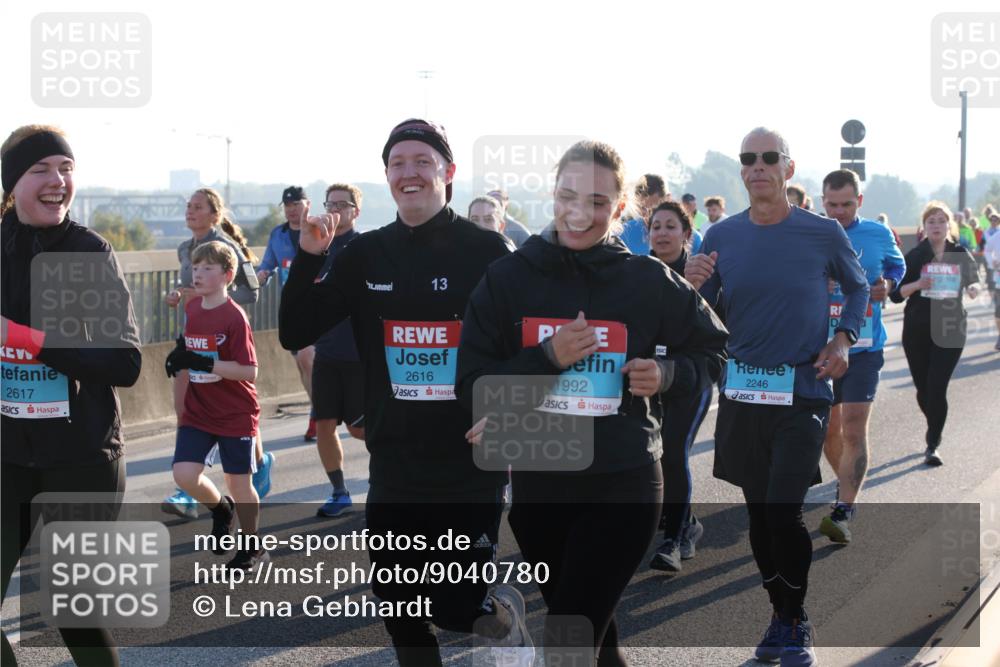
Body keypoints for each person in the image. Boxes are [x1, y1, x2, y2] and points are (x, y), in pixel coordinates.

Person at [457, 140, 728, 666]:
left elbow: (713, 349)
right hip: (539, 488)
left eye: (599, 202)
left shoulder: (647, 280)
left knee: (568, 638)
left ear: (621, 208)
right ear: (552, 195)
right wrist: (546, 358)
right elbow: (470, 381)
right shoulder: (509, 279)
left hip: (622, 483)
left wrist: (668, 373)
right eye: (568, 195)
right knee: (593, 643)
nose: (581, 211)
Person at [279, 119, 531, 666]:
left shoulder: (488, 250)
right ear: (388, 177)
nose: (409, 173)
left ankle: (501, 618)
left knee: (457, 604)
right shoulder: (365, 255)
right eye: (398, 164)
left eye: (422, 162)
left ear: (448, 172)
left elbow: (522, 346)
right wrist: (308, 257)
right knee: (401, 610)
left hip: (469, 462)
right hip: (395, 462)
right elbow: (295, 332)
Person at [685, 127, 869, 667]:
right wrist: (691, 284)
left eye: (769, 158)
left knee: (784, 511)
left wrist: (843, 338)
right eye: (748, 159)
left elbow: (857, 288)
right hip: (743, 392)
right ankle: (778, 613)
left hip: (803, 389)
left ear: (788, 169)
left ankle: (795, 621)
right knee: (760, 518)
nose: (758, 166)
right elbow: (704, 315)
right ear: (741, 171)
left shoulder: (822, 232)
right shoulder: (719, 236)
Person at [2, 124, 141, 667]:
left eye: (66, 169)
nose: (58, 181)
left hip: (82, 457)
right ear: (13, 183)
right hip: (9, 454)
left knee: (73, 613)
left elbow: (124, 361)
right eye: (41, 170)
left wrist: (26, 339)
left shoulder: (88, 252)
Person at [161, 188, 273, 520]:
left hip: (228, 340)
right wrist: (178, 297)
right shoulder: (185, 248)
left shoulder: (231, 248)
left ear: (215, 213)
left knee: (233, 407)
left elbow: (251, 292)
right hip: (193, 339)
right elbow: (189, 291)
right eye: (187, 206)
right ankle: (190, 486)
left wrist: (205, 292)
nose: (189, 211)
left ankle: (258, 462)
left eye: (198, 207)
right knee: (185, 409)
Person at [817, 169, 906, 545]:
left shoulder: (877, 234)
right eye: (832, 205)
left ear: (860, 201)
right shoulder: (810, 233)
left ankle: (844, 508)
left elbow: (896, 266)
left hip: (865, 345)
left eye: (846, 205)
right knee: (828, 431)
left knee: (853, 426)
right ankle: (846, 486)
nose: (838, 212)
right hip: (820, 344)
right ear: (822, 202)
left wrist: (889, 284)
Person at [166, 241, 266, 570]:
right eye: (195, 268)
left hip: (235, 412)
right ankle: (220, 509)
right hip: (199, 409)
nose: (198, 274)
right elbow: (191, 341)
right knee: (184, 474)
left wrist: (204, 364)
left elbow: (250, 371)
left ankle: (252, 547)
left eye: (207, 268)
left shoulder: (235, 318)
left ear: (227, 274)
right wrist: (180, 352)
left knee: (239, 484)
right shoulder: (193, 307)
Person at [644, 200, 715, 572]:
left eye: (671, 226)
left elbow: (714, 330)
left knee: (673, 451)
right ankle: (685, 521)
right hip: (650, 378)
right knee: (651, 455)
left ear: (687, 234)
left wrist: (693, 287)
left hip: (692, 378)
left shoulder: (702, 272)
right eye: (656, 227)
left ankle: (675, 538)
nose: (662, 233)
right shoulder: (639, 272)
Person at [890, 202, 980, 464]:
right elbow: (896, 294)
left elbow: (973, 280)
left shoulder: (960, 252)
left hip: (950, 328)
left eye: (941, 221)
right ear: (924, 226)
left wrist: (973, 289)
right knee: (923, 389)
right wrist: (918, 284)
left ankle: (933, 443)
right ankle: (935, 424)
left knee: (937, 387)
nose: (936, 226)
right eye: (931, 221)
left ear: (948, 224)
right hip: (917, 329)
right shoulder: (916, 255)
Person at [312, 183, 366, 518]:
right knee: (324, 424)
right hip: (327, 352)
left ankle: (394, 478)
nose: (334, 210)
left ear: (355, 211)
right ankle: (339, 491)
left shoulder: (364, 247)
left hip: (359, 353)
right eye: (330, 204)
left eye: (342, 205)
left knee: (359, 429)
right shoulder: (317, 245)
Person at [257, 185, 320, 441]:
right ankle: (319, 407)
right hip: (293, 307)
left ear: (308, 205)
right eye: (287, 206)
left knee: (307, 359)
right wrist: (261, 275)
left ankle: (319, 413)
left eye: (297, 204)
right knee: (302, 366)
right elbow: (267, 265)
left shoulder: (319, 230)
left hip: (320, 305)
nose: (292, 210)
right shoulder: (278, 235)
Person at [617, 174, 667, 255]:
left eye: (653, 209)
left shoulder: (684, 236)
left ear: (666, 201)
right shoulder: (622, 232)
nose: (647, 215)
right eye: (642, 208)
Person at [984, 213, 1000, 350]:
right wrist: (992, 262)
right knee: (999, 310)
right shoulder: (996, 237)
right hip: (999, 277)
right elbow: (987, 250)